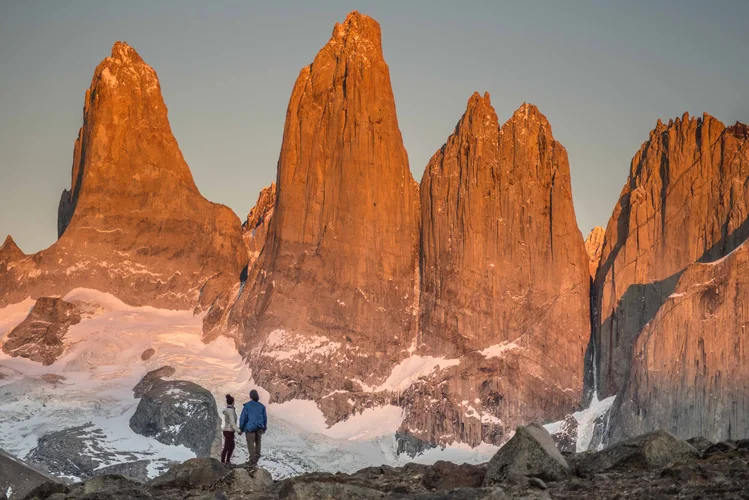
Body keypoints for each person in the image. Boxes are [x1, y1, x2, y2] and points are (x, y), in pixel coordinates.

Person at [239, 389, 267, 464]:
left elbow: (243, 418)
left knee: (250, 443)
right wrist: (264, 427)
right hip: (259, 427)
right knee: (258, 442)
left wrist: (241, 428)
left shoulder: (247, 406)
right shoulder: (262, 406)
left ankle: (252, 459)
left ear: (250, 396)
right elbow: (265, 418)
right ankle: (257, 456)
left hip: (250, 428)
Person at [221, 394, 241, 464]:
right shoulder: (231, 411)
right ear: (233, 402)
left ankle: (226, 461)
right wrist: (238, 430)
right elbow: (232, 423)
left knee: (230, 446)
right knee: (228, 446)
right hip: (229, 431)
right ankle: (224, 462)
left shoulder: (228, 410)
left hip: (226, 430)